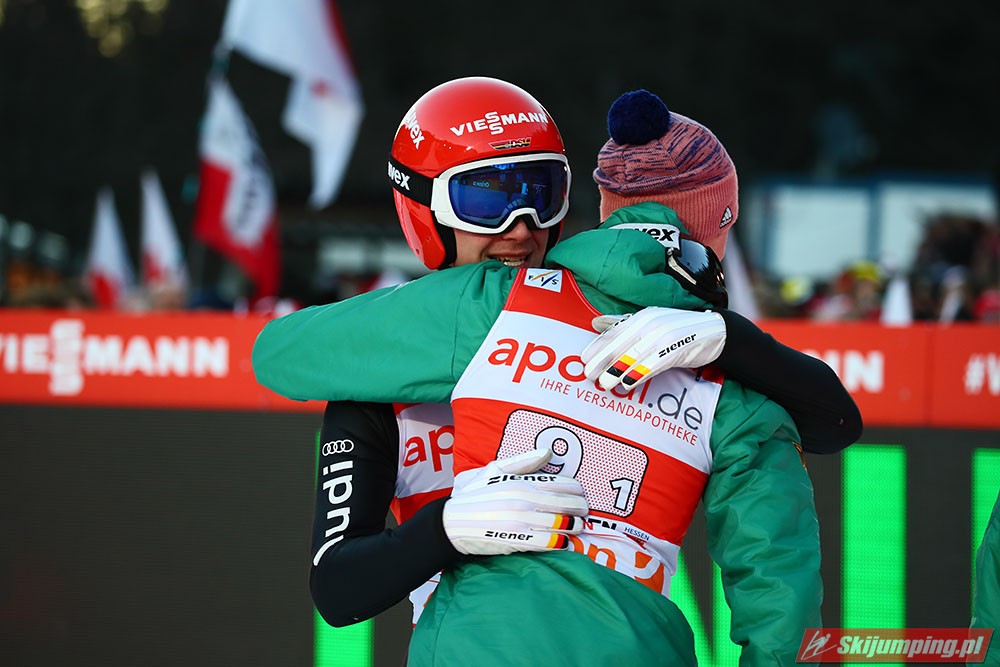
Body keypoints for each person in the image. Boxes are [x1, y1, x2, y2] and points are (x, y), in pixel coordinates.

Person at [255, 81, 834, 664]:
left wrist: (729, 338)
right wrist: (443, 531)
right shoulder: (379, 386)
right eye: (485, 200)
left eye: (542, 193)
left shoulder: (531, 311)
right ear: (424, 211)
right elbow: (338, 590)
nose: (521, 227)